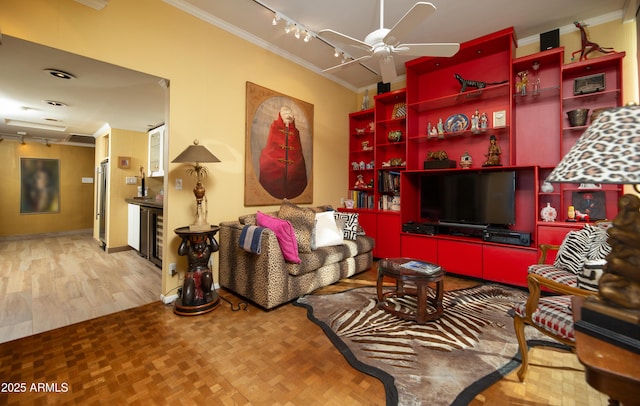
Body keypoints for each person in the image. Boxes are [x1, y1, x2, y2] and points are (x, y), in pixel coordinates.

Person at [259, 106, 308, 199]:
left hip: (293, 171)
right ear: (280, 115)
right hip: (275, 166)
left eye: (290, 114)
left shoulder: (296, 132)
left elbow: (297, 151)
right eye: (285, 114)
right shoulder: (274, 127)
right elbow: (271, 147)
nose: (288, 116)